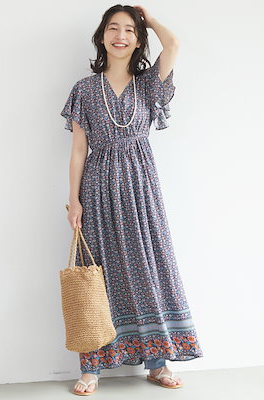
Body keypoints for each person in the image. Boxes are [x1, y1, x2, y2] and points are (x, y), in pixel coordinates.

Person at [61, 4, 203, 395]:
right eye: (113, 28)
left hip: (141, 187)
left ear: (138, 39)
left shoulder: (149, 84)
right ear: (101, 36)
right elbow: (78, 149)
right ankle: (92, 367)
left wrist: (149, 20)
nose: (120, 36)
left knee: (148, 265)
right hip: (98, 187)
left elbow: (173, 44)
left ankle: (158, 363)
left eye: (129, 30)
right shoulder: (84, 89)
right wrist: (73, 200)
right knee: (97, 272)